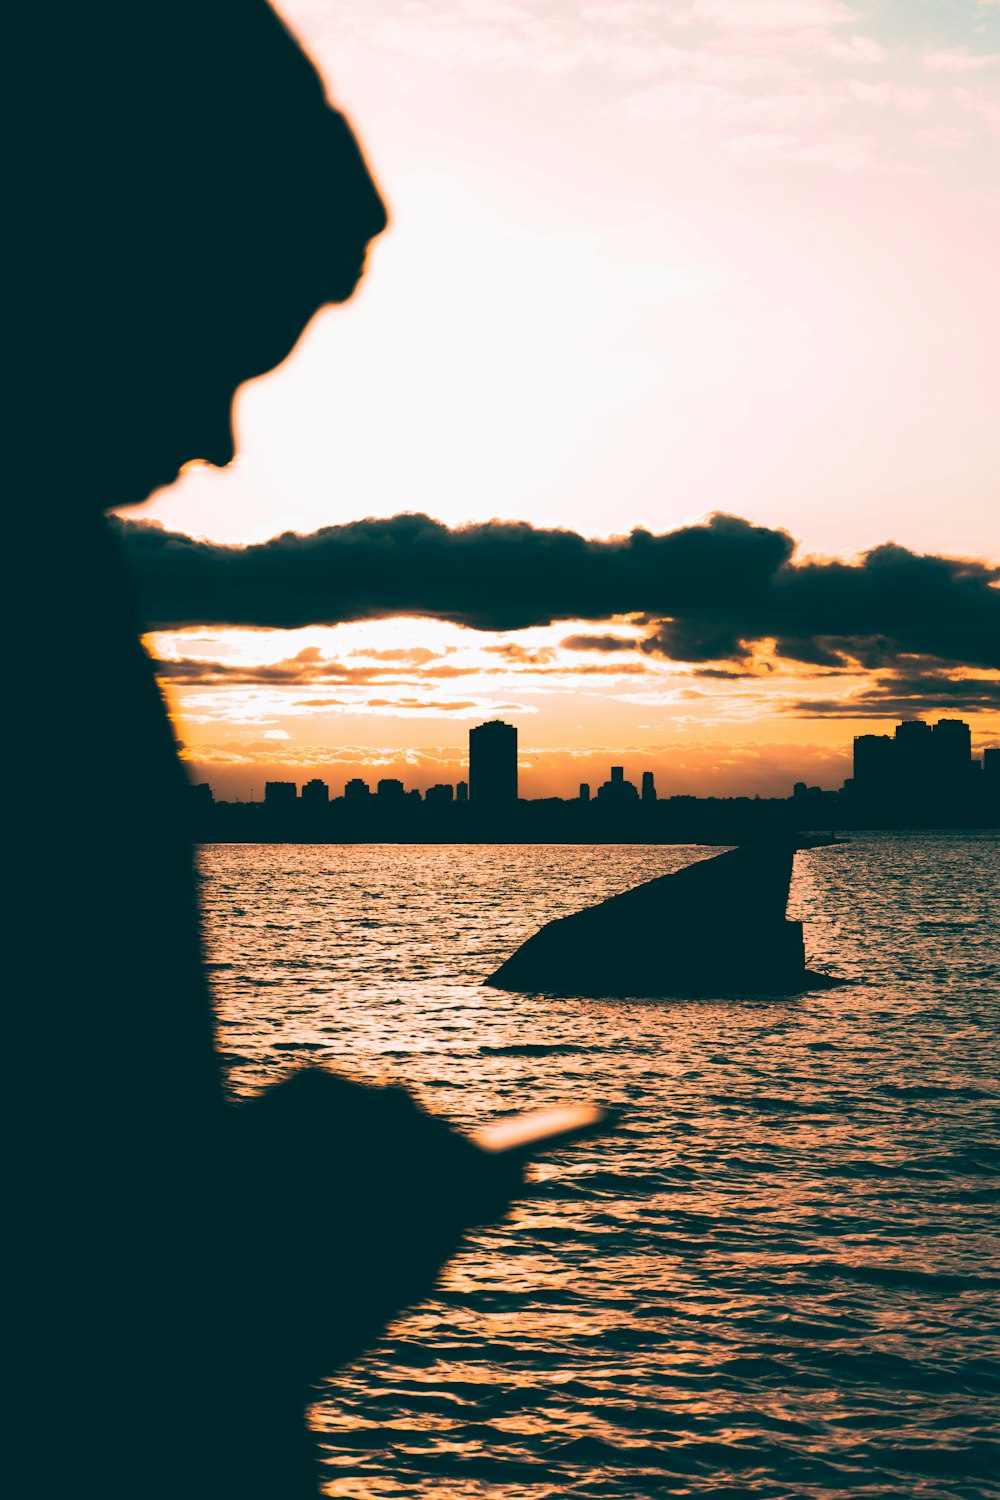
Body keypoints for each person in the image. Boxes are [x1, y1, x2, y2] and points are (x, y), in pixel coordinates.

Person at [10, 4, 521, 1495]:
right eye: (213, 343)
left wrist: (208, 1198)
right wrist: (294, 1247)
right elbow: (91, 1339)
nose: (226, 442)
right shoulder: (36, 597)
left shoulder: (54, 575)